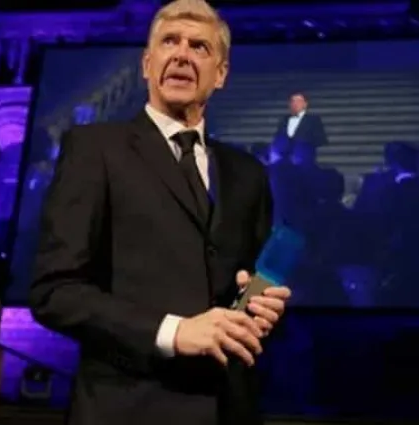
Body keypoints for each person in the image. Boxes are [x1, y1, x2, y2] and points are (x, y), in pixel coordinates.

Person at [29, 1, 292, 424]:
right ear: (147, 64)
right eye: (170, 42)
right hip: (126, 409)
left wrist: (258, 307)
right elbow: (55, 292)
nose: (182, 54)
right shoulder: (95, 149)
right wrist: (173, 331)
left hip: (229, 409)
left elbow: (245, 288)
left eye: (200, 47)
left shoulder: (248, 174)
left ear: (221, 74)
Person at [270, 92, 328, 161]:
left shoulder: (313, 120)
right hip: (285, 160)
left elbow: (321, 140)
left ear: (305, 104)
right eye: (292, 101)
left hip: (305, 159)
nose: (295, 104)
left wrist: (304, 144)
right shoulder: (284, 120)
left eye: (298, 101)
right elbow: (278, 138)